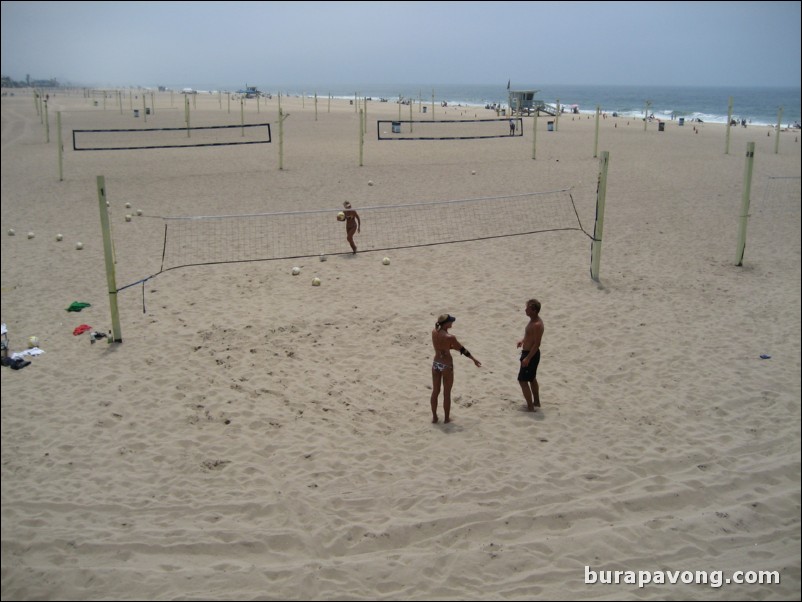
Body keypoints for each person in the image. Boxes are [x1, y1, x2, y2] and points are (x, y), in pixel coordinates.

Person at [430, 314, 481, 423]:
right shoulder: (450, 337)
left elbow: (442, 346)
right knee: (446, 393)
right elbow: (462, 349)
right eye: (451, 321)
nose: (452, 323)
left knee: (435, 391)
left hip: (436, 363)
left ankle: (434, 417)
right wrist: (473, 359)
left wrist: (449, 347)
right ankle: (447, 419)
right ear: (446, 324)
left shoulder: (434, 332)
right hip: (446, 365)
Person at [516, 298, 544, 411]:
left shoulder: (537, 324)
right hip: (528, 353)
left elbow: (537, 344)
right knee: (532, 379)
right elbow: (530, 337)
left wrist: (528, 358)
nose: (525, 310)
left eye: (527, 308)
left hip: (531, 354)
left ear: (534, 310)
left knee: (522, 380)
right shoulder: (532, 320)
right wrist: (522, 341)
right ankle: (536, 402)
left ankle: (531, 407)